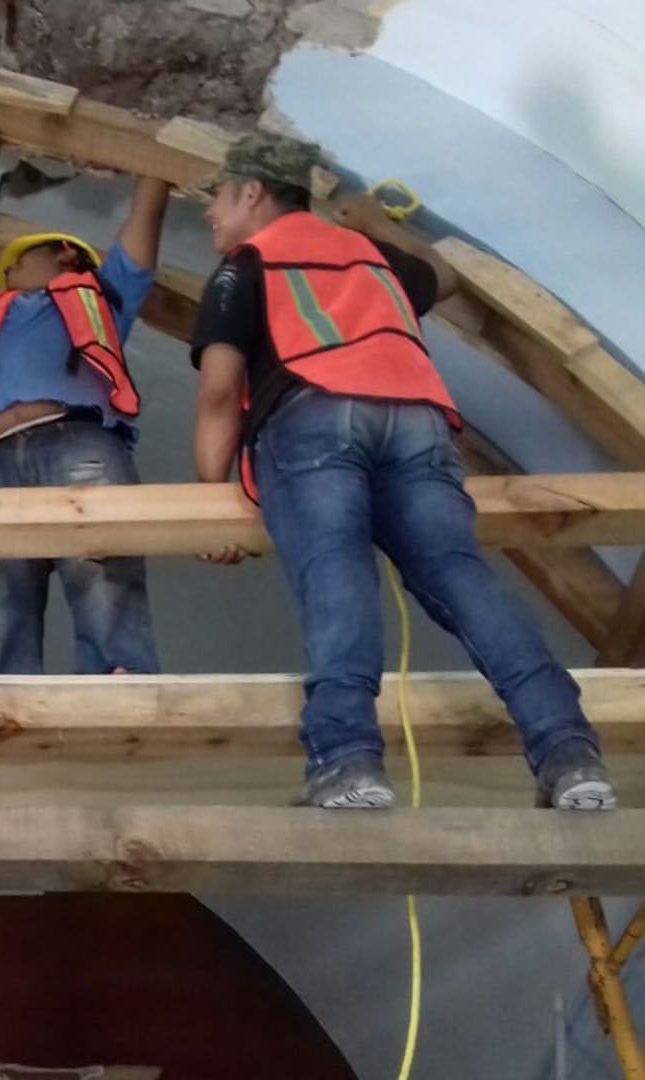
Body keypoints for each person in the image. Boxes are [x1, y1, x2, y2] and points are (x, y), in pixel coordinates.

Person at [188, 133, 614, 810]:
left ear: (251, 192)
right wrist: (377, 226)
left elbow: (218, 392)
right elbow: (442, 277)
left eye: (216, 195)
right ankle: (569, 752)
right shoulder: (372, 259)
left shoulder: (246, 267)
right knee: (462, 580)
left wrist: (211, 503)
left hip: (315, 416)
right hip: (417, 425)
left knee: (336, 575)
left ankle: (349, 763)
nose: (209, 211)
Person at [0, 129, 170, 675]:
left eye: (75, 255)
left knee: (103, 574)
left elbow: (145, 222)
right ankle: (13, 705)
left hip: (79, 441)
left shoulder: (102, 302)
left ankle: (119, 687)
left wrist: (157, 159)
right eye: (48, 251)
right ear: (11, 274)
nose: (66, 254)